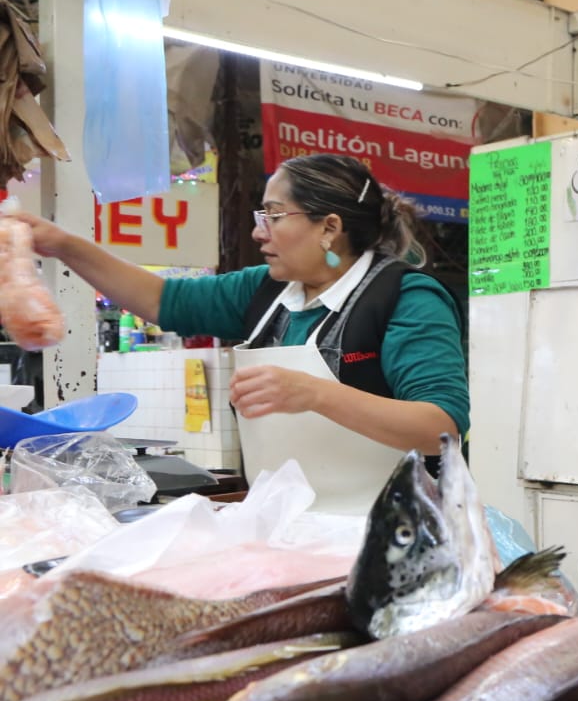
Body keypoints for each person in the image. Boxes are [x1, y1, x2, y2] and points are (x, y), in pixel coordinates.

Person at [19, 153, 469, 513]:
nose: (259, 232)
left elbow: (439, 428)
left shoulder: (407, 298)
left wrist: (315, 394)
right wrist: (62, 245)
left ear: (329, 227)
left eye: (273, 215)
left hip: (394, 531)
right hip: (286, 525)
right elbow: (161, 300)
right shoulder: (267, 289)